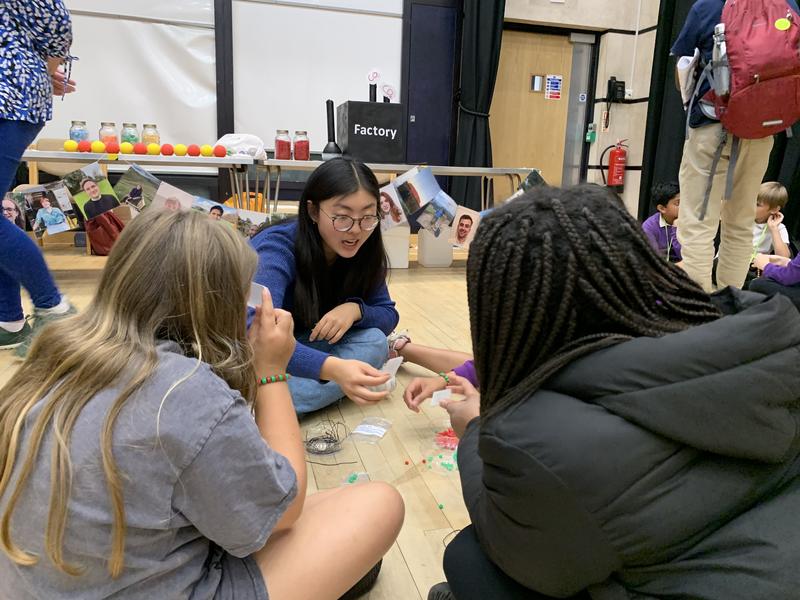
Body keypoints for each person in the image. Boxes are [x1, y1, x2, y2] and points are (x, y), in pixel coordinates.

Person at [0, 209, 405, 599]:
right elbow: (287, 506)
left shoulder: (54, 354)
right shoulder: (187, 391)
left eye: (366, 215)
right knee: (379, 504)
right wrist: (269, 372)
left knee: (329, 506)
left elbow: (385, 314)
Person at [427, 185, 800, 600]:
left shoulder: (534, 438)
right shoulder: (757, 317)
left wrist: (476, 429)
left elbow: (537, 562)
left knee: (468, 559)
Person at [251, 158, 398, 415]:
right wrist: (334, 369)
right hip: (257, 353)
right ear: (313, 211)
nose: (355, 230)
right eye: (342, 217)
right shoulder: (276, 248)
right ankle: (266, 405)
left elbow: (388, 314)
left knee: (375, 342)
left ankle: (271, 402)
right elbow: (259, 333)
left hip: (301, 348)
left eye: (367, 216)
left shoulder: (366, 247)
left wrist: (355, 310)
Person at [669, 0, 798, 292]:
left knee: (698, 223)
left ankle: (702, 310)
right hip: (762, 129)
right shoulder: (787, 5)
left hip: (712, 125)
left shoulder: (709, 5)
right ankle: (732, 304)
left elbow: (682, 67)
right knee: (741, 224)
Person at [0, 0, 76, 354]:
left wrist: (38, 68)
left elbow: (56, 22)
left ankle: (54, 308)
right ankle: (8, 319)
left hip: (9, 100)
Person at [641, 181, 682, 263]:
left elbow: (685, 256)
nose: (683, 206)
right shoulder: (649, 227)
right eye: (678, 203)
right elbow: (653, 260)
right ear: (662, 208)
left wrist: (676, 229)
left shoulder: (690, 223)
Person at [751, 182, 791, 260]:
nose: (751, 205)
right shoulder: (742, 217)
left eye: (757, 204)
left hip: (751, 268)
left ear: (774, 209)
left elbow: (784, 257)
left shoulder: (778, 228)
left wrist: (774, 229)